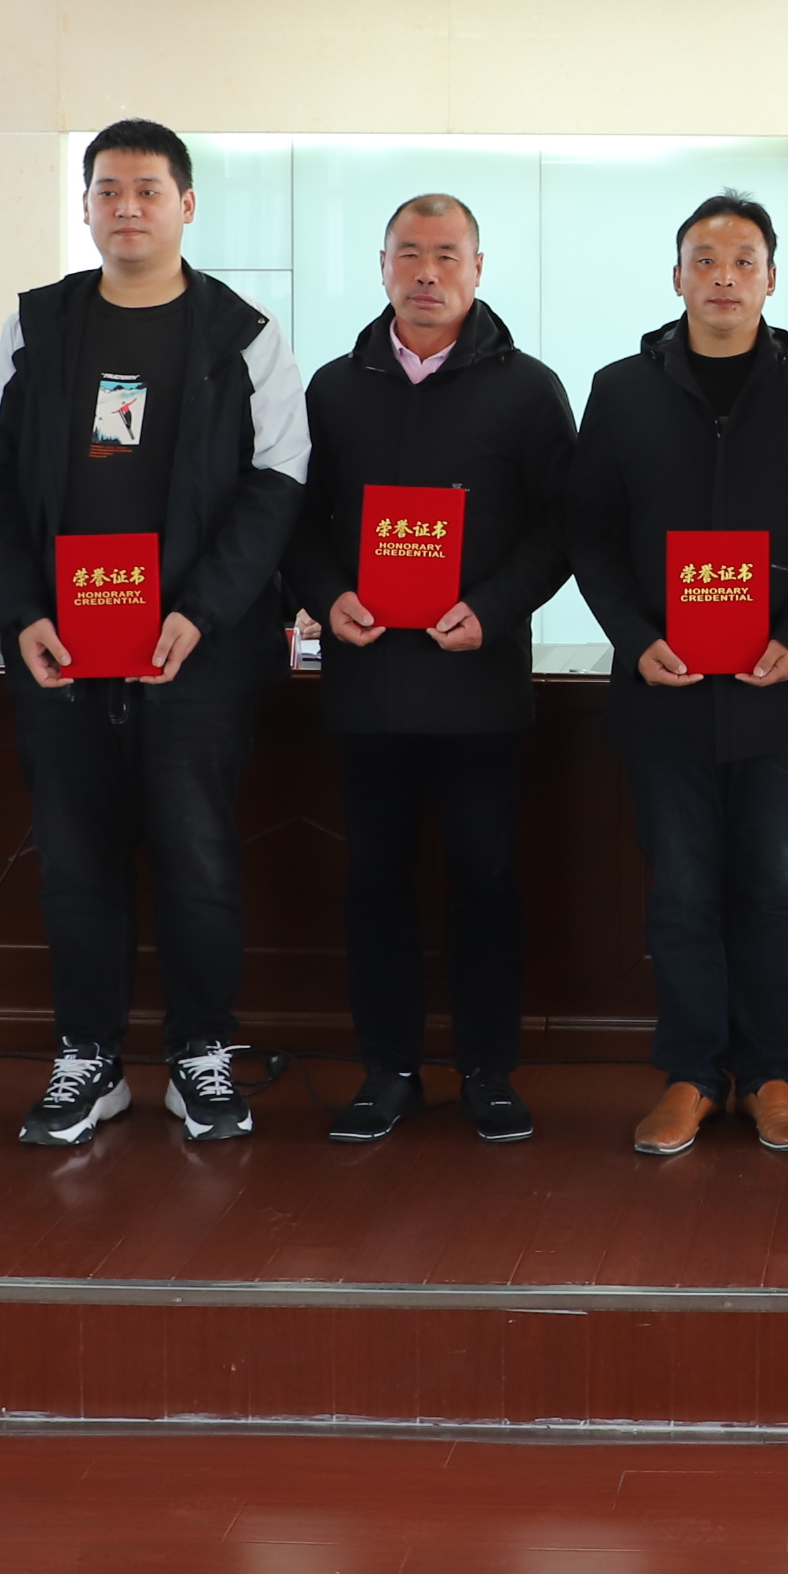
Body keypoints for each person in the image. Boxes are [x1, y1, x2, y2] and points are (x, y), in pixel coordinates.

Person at [0, 119, 308, 1149]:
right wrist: (22, 612)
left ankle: (200, 1054)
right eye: (107, 189)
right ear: (85, 208)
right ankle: (90, 1057)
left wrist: (200, 612)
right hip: (59, 653)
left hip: (199, 655)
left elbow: (278, 482)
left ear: (185, 205)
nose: (127, 207)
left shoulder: (242, 333)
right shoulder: (39, 325)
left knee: (199, 859)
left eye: (148, 189)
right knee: (75, 863)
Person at [564, 193, 788, 1157]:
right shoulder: (622, 390)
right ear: (676, 277)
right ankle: (693, 1075)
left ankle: (770, 1074)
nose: (725, 276)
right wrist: (632, 636)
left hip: (778, 693)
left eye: (744, 260)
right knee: (682, 893)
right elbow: (588, 532)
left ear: (772, 280)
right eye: (705, 259)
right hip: (663, 691)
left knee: (770, 890)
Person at [287, 192, 576, 1145]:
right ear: (381, 267)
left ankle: (489, 1069)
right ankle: (389, 1069)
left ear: (478, 269)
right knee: (375, 878)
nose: (426, 272)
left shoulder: (528, 390)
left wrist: (493, 608)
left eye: (447, 254)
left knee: (485, 876)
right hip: (368, 681)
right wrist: (328, 594)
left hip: (476, 683)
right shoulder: (334, 389)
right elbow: (297, 520)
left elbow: (562, 526)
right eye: (408, 253)